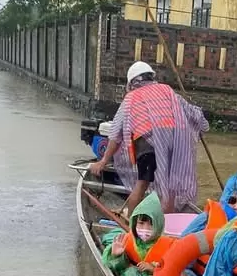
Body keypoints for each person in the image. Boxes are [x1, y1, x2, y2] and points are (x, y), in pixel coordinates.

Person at [88, 61, 208, 216]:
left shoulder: (131, 98)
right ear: (151, 77)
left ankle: (132, 228)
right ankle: (168, 227)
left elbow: (115, 134)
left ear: (132, 82)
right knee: (170, 190)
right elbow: (194, 114)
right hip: (174, 146)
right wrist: (202, 127)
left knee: (141, 184)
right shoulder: (167, 90)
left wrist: (104, 161)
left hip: (147, 146)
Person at [100, 191, 174, 276]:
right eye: (141, 223)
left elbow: (173, 272)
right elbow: (119, 266)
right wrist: (116, 255)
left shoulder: (169, 245)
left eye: (151, 224)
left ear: (159, 225)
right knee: (131, 272)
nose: (146, 228)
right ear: (135, 223)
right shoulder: (128, 240)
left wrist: (153, 269)